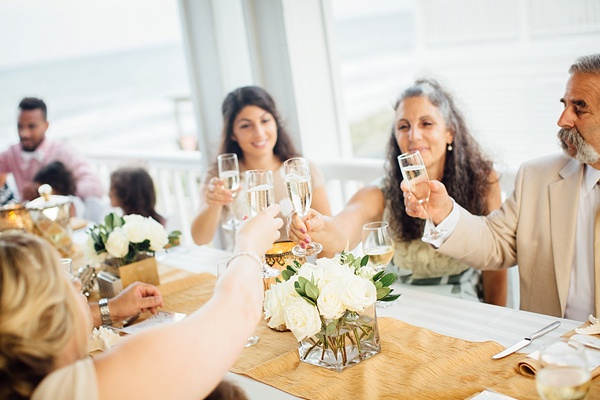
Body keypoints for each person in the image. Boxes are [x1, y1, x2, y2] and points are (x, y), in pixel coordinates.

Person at [0, 204, 283, 400]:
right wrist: (248, 246)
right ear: (41, 319)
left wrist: (106, 310)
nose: (76, 283)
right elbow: (237, 311)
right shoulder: (78, 389)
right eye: (63, 284)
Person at [401, 54, 600, 321]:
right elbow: (495, 243)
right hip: (547, 350)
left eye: (580, 107)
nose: (562, 119)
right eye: (564, 105)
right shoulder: (537, 176)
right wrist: (443, 212)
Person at [289, 79, 507, 306]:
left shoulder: (483, 181)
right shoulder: (381, 192)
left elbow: (495, 267)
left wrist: (498, 323)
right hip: (400, 306)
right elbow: (341, 233)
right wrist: (319, 225)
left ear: (450, 133)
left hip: (463, 305)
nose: (413, 135)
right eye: (403, 126)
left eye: (427, 124)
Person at [191, 85, 331, 248]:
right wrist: (212, 203)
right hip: (246, 269)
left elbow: (326, 237)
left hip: (298, 271)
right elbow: (200, 238)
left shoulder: (302, 173)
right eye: (246, 125)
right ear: (232, 134)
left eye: (265, 121)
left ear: (276, 122)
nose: (259, 133)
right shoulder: (221, 176)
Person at [0, 97, 103, 202]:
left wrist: (52, 191)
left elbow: (95, 188)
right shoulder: (12, 153)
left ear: (46, 125)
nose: (24, 133)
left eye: (31, 127)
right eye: (20, 126)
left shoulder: (62, 152)